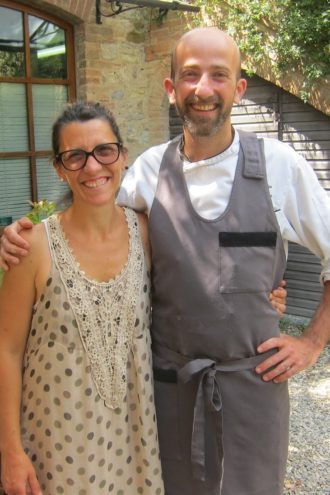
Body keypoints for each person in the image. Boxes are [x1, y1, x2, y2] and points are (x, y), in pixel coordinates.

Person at [0, 30, 305, 495]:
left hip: (219, 401)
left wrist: (312, 340)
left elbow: (206, 263)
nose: (93, 166)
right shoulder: (145, 175)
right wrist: (16, 233)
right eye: (190, 75)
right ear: (171, 89)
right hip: (137, 406)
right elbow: (84, 220)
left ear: (239, 88)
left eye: (218, 75)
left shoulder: (277, 166)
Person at [0, 102, 164, 495]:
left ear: (123, 156)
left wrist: (269, 297)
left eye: (104, 151)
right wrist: (10, 452)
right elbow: (6, 349)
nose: (92, 168)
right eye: (75, 156)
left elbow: (194, 290)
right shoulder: (33, 246)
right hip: (55, 448)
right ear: (59, 167)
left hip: (132, 444)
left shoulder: (147, 233)